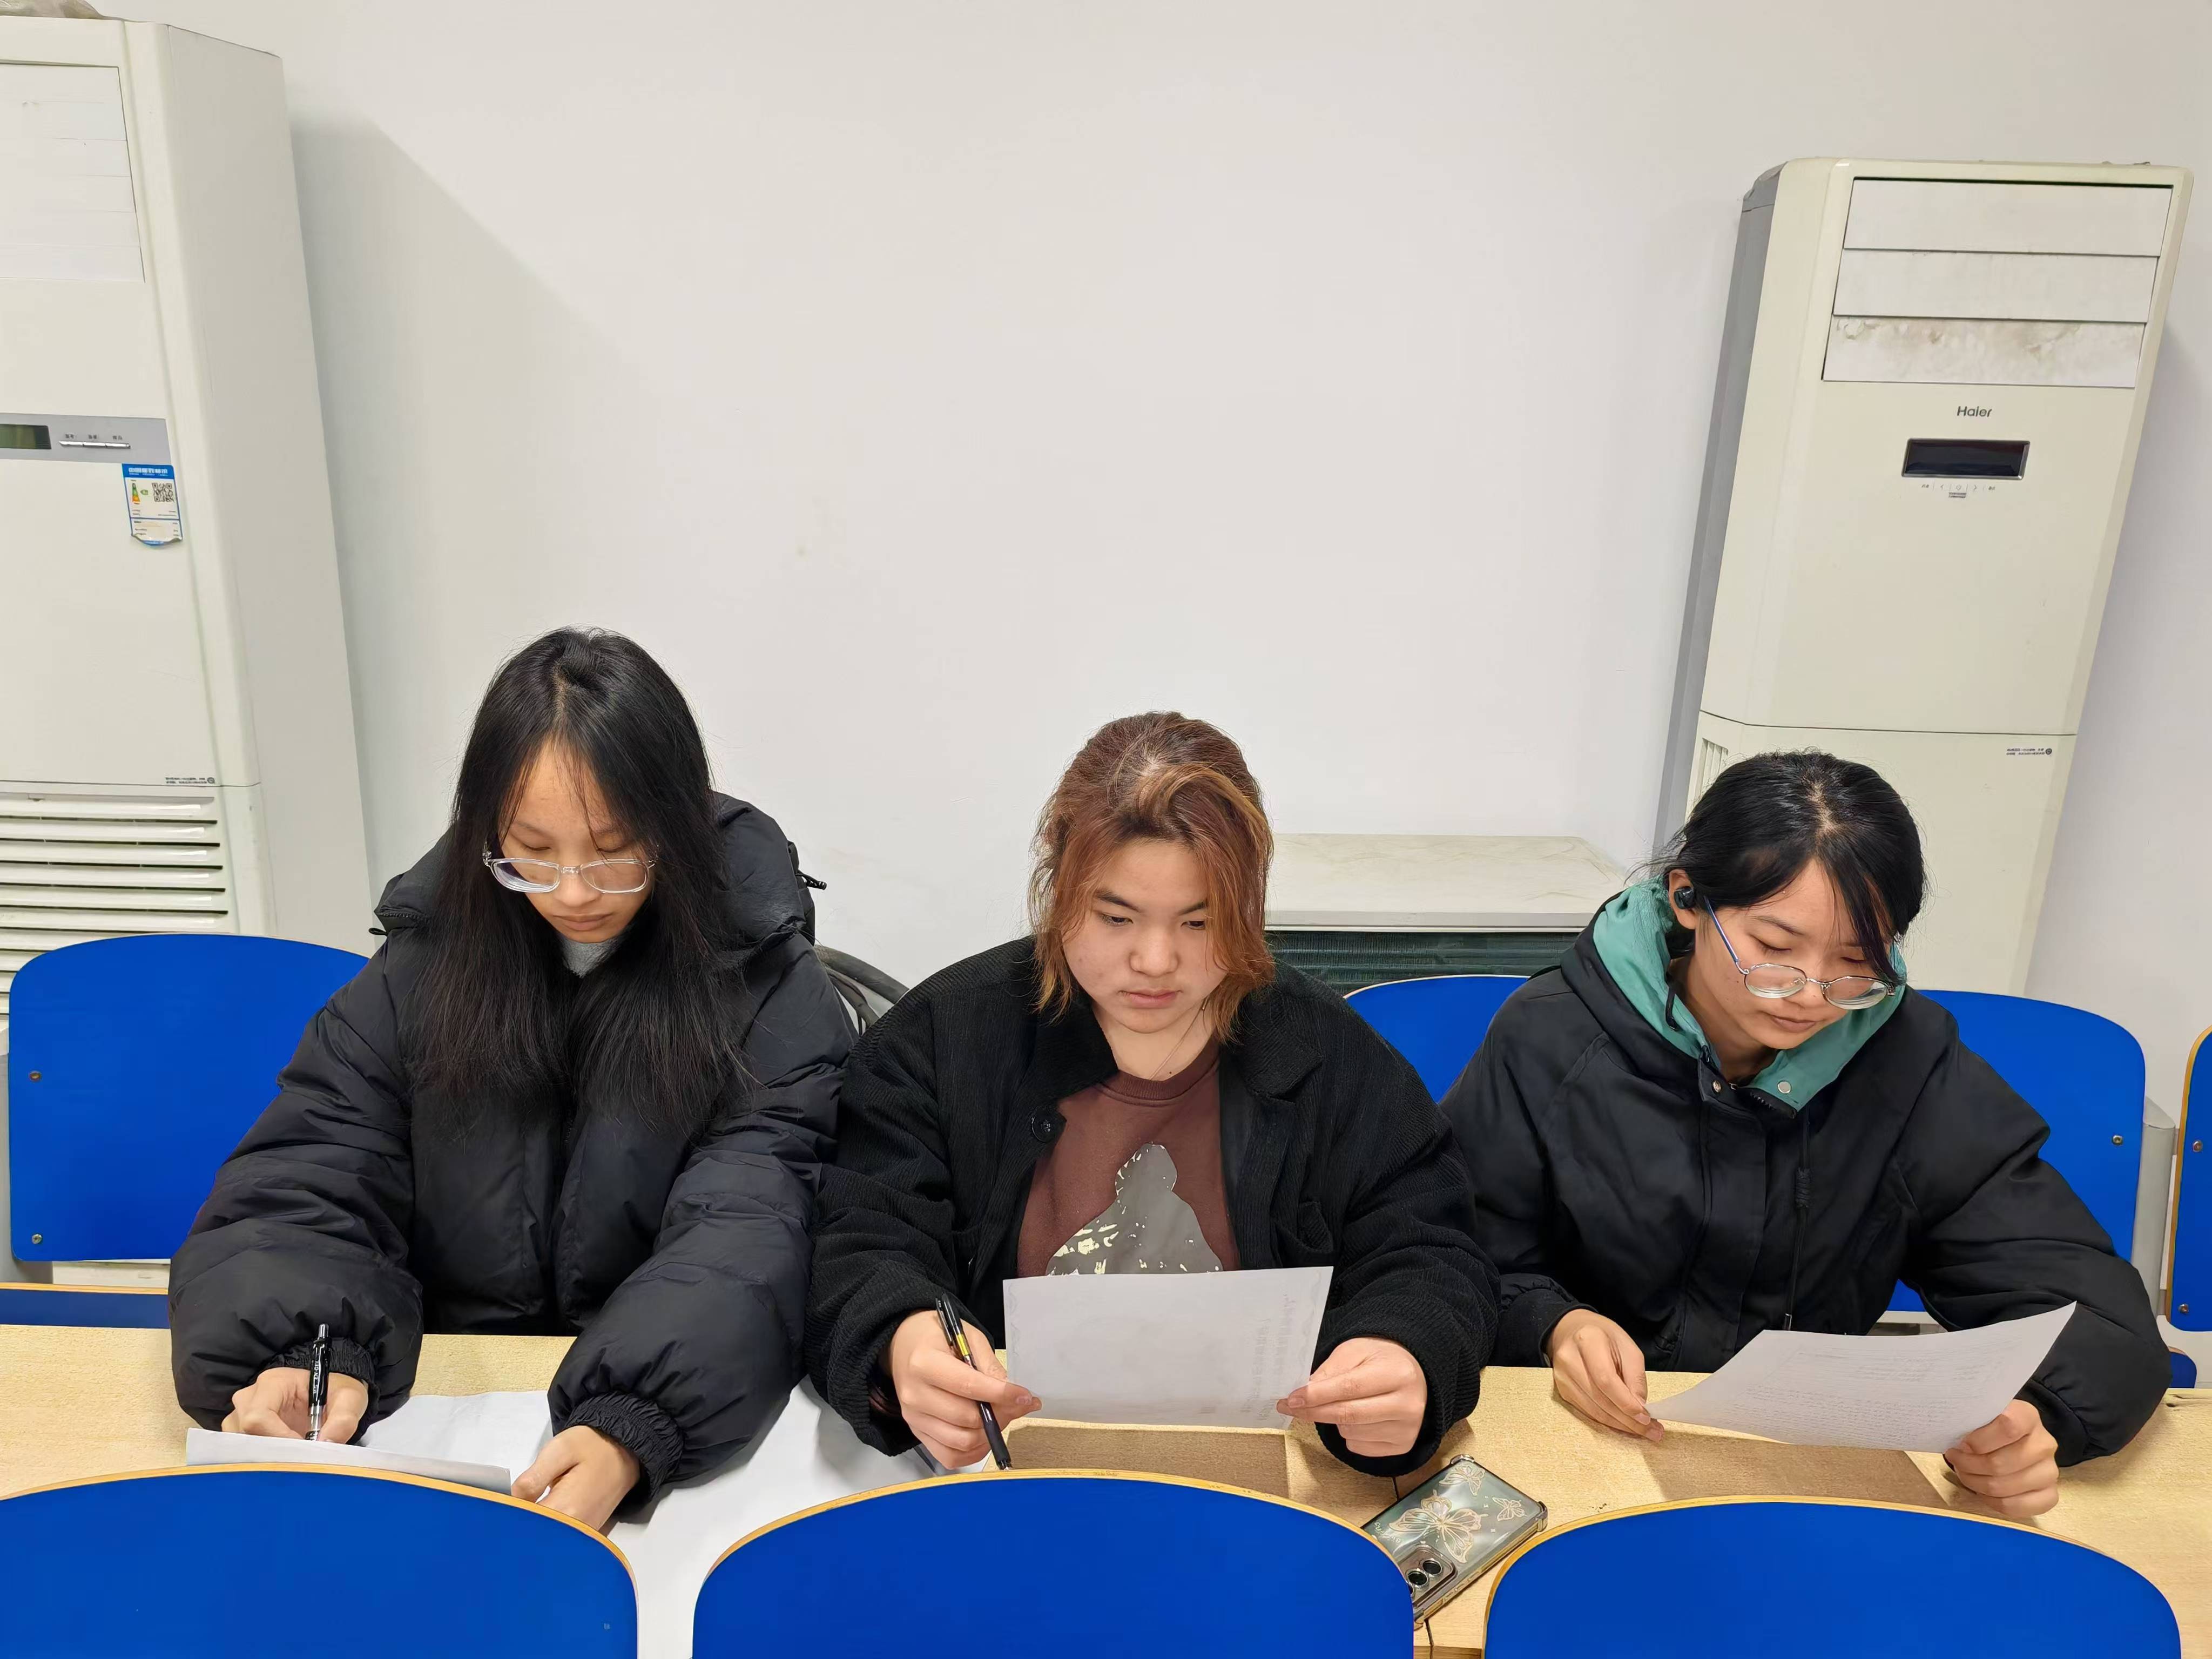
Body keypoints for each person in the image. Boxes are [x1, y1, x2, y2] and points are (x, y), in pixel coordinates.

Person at [169, 628, 850, 1529]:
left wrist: (636, 1417)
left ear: (677, 827)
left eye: (613, 850)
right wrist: (309, 1352)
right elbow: (315, 1168)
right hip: (442, 1409)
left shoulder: (767, 986)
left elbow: (752, 1224)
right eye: (531, 849)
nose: (572, 892)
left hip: (661, 1438)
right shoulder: (421, 967)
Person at [1444, 750, 2167, 1516]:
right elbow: (1445, 1251)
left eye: (1856, 962)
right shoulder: (1552, 1038)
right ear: (1688, 899)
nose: (1812, 995)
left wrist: (2032, 1418)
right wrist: (1552, 1323)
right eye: (1775, 950)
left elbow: (2088, 1311)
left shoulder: (1908, 1064)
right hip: (1569, 1453)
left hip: (1800, 1471)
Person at [804, 712, 1498, 1476]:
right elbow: (864, 1238)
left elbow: (1432, 1248)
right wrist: (902, 1341)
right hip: (1011, 1477)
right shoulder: (944, 1039)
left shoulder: (1326, 1052)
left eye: (1200, 922)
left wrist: (1404, 1349)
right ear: (1057, 887)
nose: (1156, 960)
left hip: (1261, 1476)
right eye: (1116, 917)